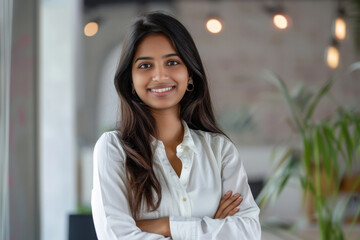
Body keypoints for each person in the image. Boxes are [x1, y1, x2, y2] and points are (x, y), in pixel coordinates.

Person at [91, 12, 261, 239]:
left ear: (190, 74)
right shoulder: (113, 150)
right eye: (145, 66)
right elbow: (116, 237)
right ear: (130, 81)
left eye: (172, 62)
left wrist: (164, 226)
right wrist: (210, 227)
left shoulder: (220, 151)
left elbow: (248, 232)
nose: (160, 75)